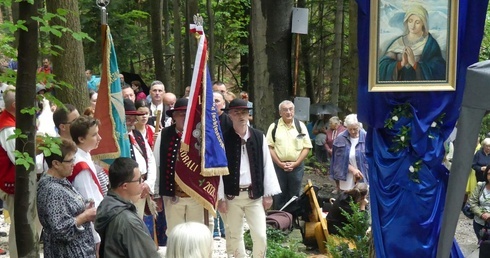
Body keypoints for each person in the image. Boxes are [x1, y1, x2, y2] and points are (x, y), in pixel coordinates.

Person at [218, 99, 281, 257]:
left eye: (244, 113)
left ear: (249, 115)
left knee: (260, 236)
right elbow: (218, 171)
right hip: (232, 196)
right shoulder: (223, 139)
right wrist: (220, 198)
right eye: (237, 113)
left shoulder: (259, 137)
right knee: (235, 236)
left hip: (254, 196)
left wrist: (268, 194)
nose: (241, 116)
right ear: (230, 115)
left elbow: (267, 165)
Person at [153, 98, 214, 234]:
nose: (185, 117)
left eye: (188, 114)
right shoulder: (164, 135)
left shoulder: (202, 136)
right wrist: (157, 194)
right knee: (174, 234)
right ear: (174, 117)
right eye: (181, 114)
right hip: (172, 194)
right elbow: (156, 165)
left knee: (197, 234)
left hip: (197, 195)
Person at [37, 139, 97, 258]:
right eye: (70, 161)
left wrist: (83, 207)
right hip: (68, 252)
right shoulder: (53, 190)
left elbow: (65, 210)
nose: (73, 164)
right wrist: (85, 216)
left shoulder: (60, 179)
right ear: (56, 164)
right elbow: (61, 230)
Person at [95, 157, 160, 258]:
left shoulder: (107, 204)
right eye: (139, 180)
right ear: (125, 186)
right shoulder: (128, 221)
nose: (142, 183)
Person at [378, 4, 446, 81]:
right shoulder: (398, 42)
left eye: (417, 22)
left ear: (423, 24)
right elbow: (382, 67)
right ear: (406, 21)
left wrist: (415, 64)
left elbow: (439, 70)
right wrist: (400, 64)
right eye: (410, 21)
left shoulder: (430, 44)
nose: (412, 26)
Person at [266, 100, 312, 210]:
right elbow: (269, 147)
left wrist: (296, 163)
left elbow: (307, 147)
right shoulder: (274, 126)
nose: (288, 112)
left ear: (294, 111)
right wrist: (280, 164)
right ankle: (278, 220)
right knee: (278, 193)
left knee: (294, 194)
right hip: (278, 166)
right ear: (280, 112)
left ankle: (292, 219)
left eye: (291, 109)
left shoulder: (300, 126)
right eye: (285, 110)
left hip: (296, 167)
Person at [68, 115, 103, 253]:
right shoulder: (80, 165)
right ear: (81, 139)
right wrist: (97, 237)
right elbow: (89, 204)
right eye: (94, 135)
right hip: (91, 230)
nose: (99, 138)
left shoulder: (85, 155)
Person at [0, 85, 18, 256]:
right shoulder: (8, 128)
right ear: (14, 105)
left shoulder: (11, 122)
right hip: (12, 183)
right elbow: (19, 160)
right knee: (21, 226)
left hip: (14, 181)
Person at [330, 114, 368, 192]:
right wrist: (353, 170)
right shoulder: (340, 138)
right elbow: (338, 160)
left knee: (363, 199)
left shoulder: (366, 137)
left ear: (360, 126)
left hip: (363, 174)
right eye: (350, 129)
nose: (352, 131)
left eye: (355, 129)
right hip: (346, 175)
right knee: (347, 199)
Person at [468, 166, 490, 243]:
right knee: (483, 247)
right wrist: (481, 214)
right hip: (479, 223)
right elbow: (472, 203)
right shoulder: (481, 185)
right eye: (489, 174)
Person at [325, 116, 346, 193]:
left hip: (341, 155)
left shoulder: (344, 130)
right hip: (332, 155)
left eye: (331, 123)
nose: (329, 124)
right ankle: (337, 187)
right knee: (334, 171)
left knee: (341, 171)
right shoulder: (329, 131)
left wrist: (335, 149)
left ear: (336, 123)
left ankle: (343, 187)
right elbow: (326, 142)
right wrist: (328, 149)